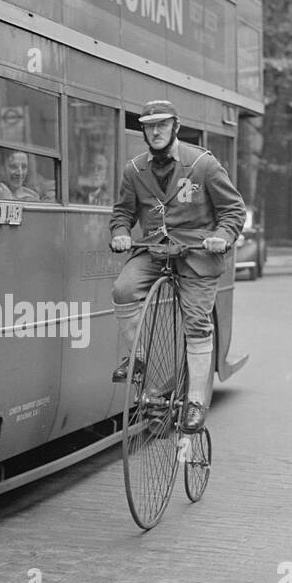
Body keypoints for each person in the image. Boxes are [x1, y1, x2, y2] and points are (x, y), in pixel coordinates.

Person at [109, 99, 246, 433]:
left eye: (162, 125)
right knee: (123, 289)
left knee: (197, 324)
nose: (155, 131)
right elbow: (122, 213)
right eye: (149, 125)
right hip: (155, 250)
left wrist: (222, 236)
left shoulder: (203, 165)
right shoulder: (134, 170)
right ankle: (138, 357)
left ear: (175, 126)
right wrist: (121, 232)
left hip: (198, 254)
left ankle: (196, 403)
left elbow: (234, 211)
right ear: (142, 129)